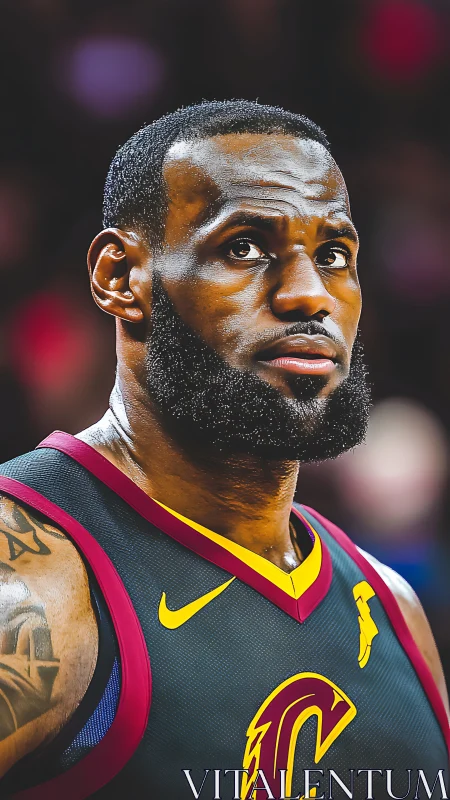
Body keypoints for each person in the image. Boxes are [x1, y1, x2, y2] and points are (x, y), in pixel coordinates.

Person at [0, 100, 447, 800]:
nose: (308, 294)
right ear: (122, 278)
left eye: (334, 255)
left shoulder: (393, 609)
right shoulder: (29, 578)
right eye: (242, 247)